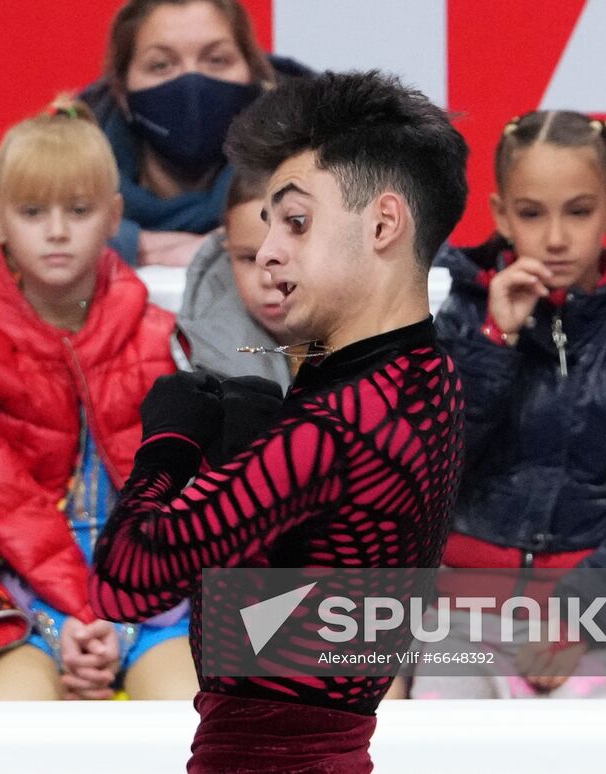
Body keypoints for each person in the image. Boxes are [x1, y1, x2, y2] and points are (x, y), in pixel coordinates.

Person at [90, 70, 469, 771]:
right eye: (268, 227)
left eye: (295, 221)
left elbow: (123, 580)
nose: (268, 251)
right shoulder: (429, 377)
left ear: (383, 224)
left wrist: (169, 445)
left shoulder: (334, 426)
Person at [411, 110, 606, 700]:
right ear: (501, 215)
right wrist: (494, 342)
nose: (555, 238)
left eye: (578, 211)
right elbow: (426, 467)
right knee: (439, 727)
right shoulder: (466, 314)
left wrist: (583, 612)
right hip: (462, 614)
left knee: (596, 734)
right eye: (532, 214)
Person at [0, 99, 197, 701]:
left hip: (149, 597)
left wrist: (118, 615)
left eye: (79, 210)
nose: (57, 231)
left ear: (114, 217)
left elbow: (182, 491)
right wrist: (79, 612)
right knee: (20, 721)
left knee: (189, 717)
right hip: (18, 596)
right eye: (31, 211)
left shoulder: (161, 336)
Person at [0, 0, 310, 272]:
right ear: (121, 93)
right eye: (161, 64)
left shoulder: (306, 150)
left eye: (217, 59)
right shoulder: (82, 149)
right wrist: (136, 244)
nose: (191, 82)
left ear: (255, 76)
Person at [176, 167, 294, 388]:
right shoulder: (199, 352)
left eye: (282, 258)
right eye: (248, 258)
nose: (268, 279)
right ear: (227, 250)